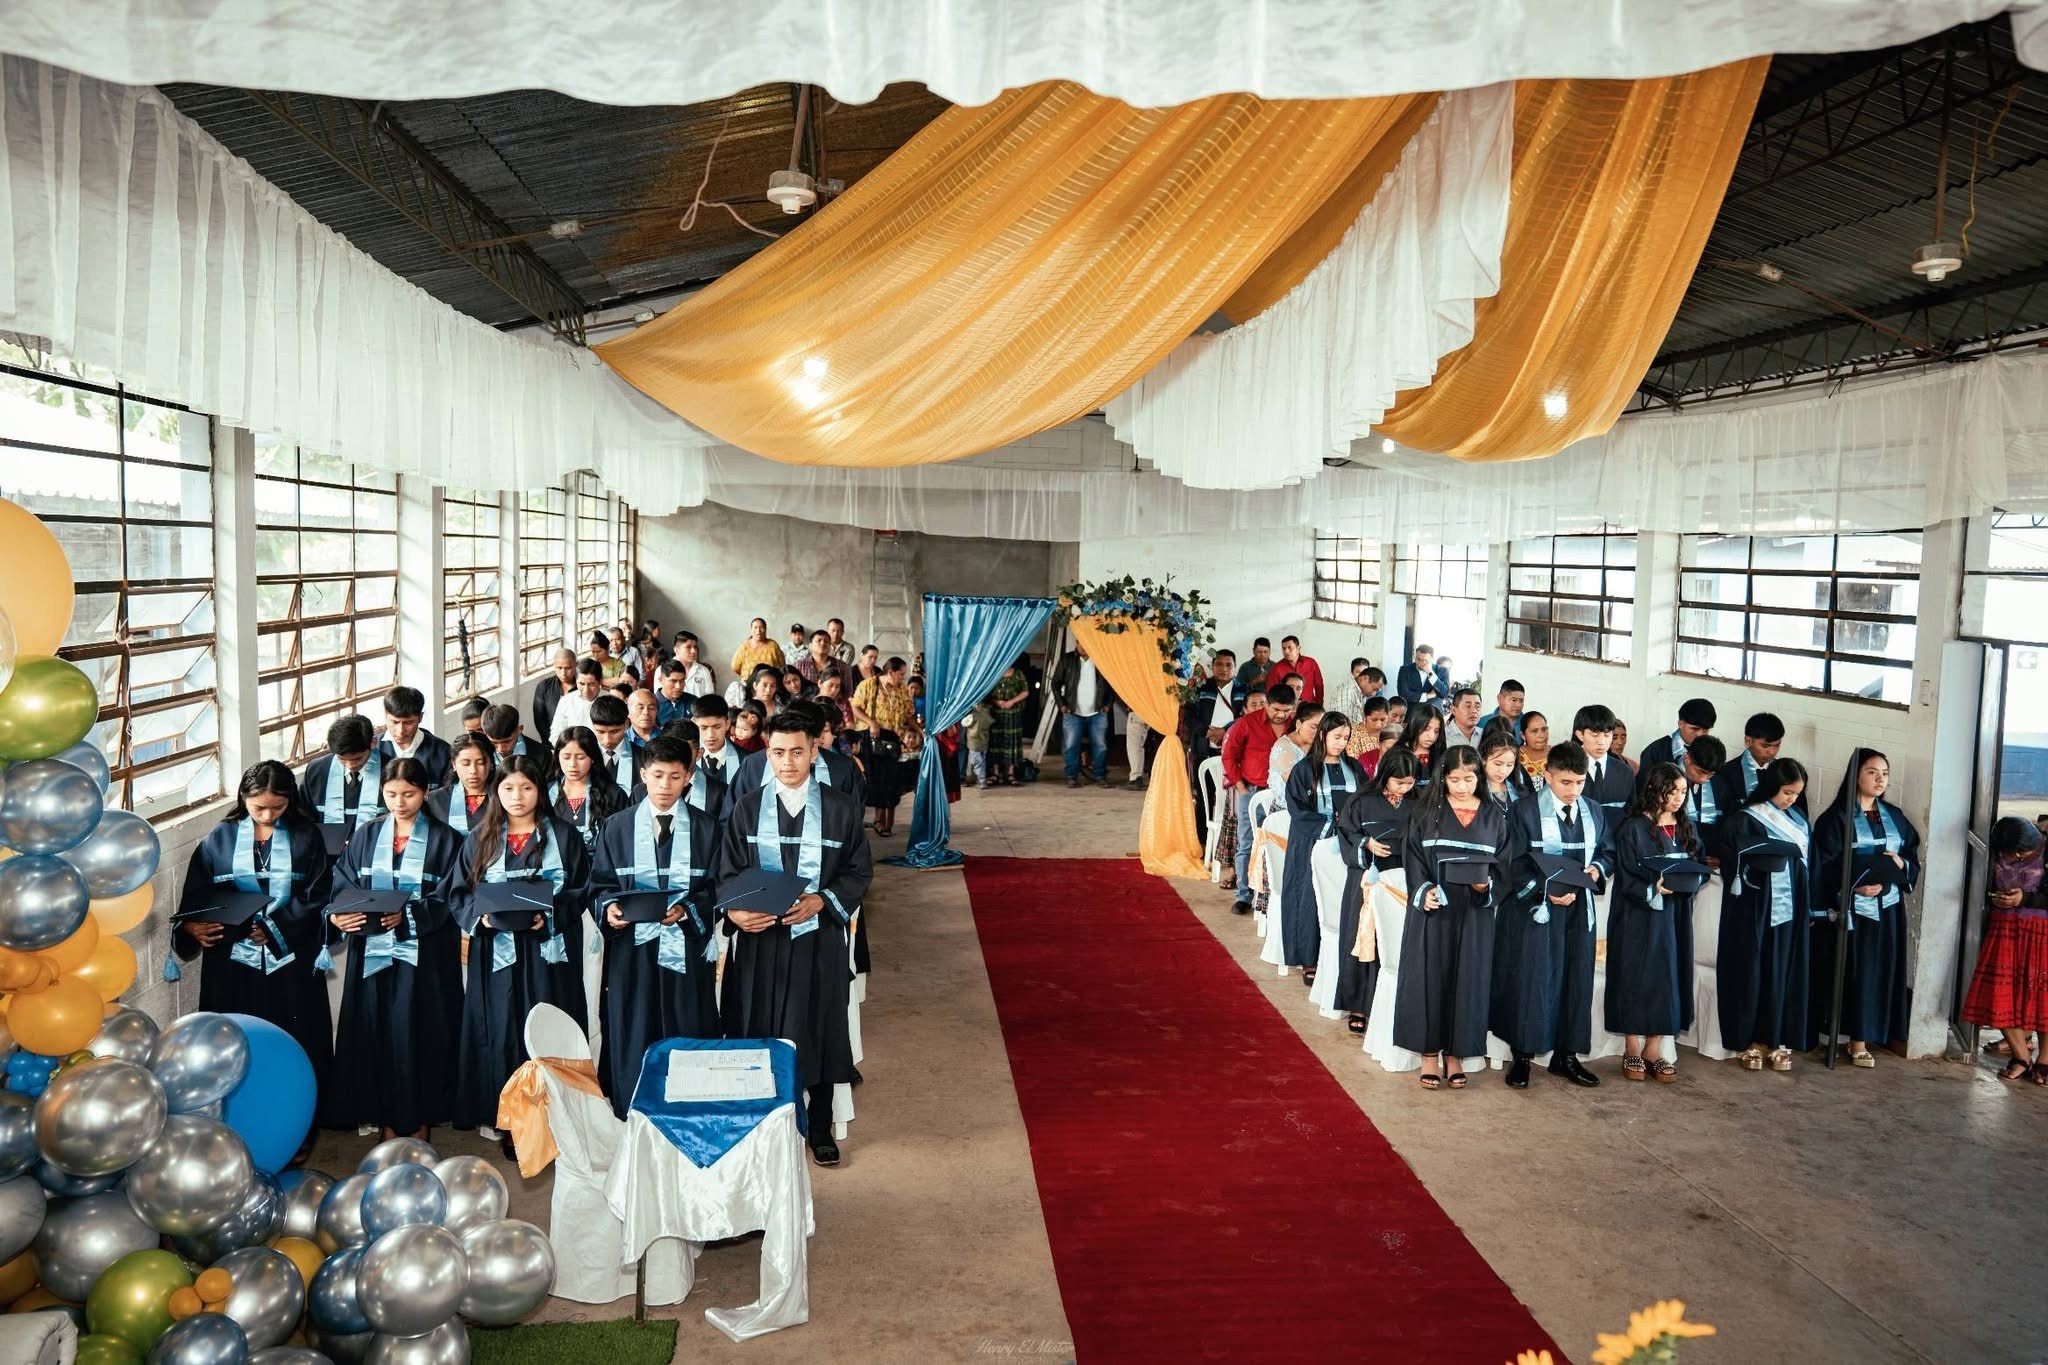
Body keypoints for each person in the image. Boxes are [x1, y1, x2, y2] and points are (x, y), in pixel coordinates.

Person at [718, 710, 874, 1166]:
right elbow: (726, 873)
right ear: (767, 753)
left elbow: (858, 871)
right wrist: (735, 912)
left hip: (815, 941)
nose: (788, 762)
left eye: (798, 752)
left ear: (814, 751)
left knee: (818, 1027)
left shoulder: (840, 809)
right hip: (761, 943)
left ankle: (820, 1123)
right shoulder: (747, 807)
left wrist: (823, 901)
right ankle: (761, 1120)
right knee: (757, 1023)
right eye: (778, 752)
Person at [173, 761, 335, 1121]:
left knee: (293, 1043)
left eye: (277, 807)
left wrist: (277, 927)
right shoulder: (220, 838)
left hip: (288, 962)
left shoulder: (306, 837)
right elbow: (196, 896)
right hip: (232, 963)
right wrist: (191, 928)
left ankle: (298, 1123)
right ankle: (234, 1120)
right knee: (235, 1041)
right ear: (242, 798)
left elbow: (318, 896)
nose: (268, 814)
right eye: (258, 806)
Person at [448, 755, 590, 1144]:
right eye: (508, 788)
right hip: (497, 952)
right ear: (496, 791)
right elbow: (459, 892)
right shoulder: (480, 838)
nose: (518, 796)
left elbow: (580, 887)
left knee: (546, 1022)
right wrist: (484, 918)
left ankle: (555, 1113)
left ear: (540, 791)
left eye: (527, 787)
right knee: (500, 1025)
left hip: (547, 952)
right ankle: (505, 1116)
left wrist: (553, 914)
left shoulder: (562, 835)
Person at [584, 734, 724, 1114]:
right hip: (633, 949)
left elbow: (717, 888)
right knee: (634, 1020)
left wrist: (688, 909)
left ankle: (689, 1103)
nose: (665, 786)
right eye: (658, 775)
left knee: (687, 1019)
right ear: (643, 774)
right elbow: (599, 883)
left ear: (688, 778)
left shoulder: (708, 828)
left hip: (686, 950)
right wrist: (610, 907)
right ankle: (633, 1104)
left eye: (675, 777)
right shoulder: (615, 827)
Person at [328, 757, 464, 1139]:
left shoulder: (446, 839)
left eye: (409, 794)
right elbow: (342, 883)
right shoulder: (367, 835)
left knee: (419, 1035)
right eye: (391, 794)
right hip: (372, 957)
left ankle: (417, 1121)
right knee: (377, 1035)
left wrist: (408, 916)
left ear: (424, 793)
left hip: (424, 960)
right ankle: (386, 1117)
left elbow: (452, 895)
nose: (399, 802)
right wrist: (339, 915)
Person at [1493, 740, 1610, 1091]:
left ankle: (1566, 1056)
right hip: (1535, 911)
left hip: (1577, 912)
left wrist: (1597, 870)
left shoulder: (1594, 811)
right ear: (1547, 776)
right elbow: (1512, 862)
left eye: (1579, 782)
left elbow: (1608, 851)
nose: (1574, 790)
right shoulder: (1524, 811)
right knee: (1533, 980)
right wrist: (1544, 892)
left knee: (1575, 980)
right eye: (1565, 783)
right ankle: (1523, 1056)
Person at [1396, 745, 1508, 1090]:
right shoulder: (1426, 813)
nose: (1461, 786)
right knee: (1431, 979)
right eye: (1455, 779)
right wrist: (1423, 890)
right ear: (1442, 778)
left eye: (1469, 779)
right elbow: (1412, 857)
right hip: (1435, 909)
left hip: (1474, 914)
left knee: (1467, 981)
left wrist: (1486, 887)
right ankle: (1429, 1054)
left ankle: (1456, 1054)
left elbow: (1504, 865)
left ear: (1480, 777)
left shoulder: (1494, 816)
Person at [1810, 748, 1920, 1066]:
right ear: (1856, 775)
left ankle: (1862, 1039)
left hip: (1886, 911)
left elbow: (1911, 856)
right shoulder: (1835, 819)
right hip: (1850, 911)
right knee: (1853, 974)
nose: (1880, 779)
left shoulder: (1896, 817)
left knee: (1877, 974)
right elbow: (1825, 863)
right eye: (1872, 772)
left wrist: (1899, 865)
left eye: (1885, 773)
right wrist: (1852, 885)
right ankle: (1840, 1036)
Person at [1606, 761, 1703, 1083]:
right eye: (1671, 791)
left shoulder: (1686, 826)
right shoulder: (1633, 827)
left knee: (1668, 976)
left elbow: (1698, 864)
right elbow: (1625, 874)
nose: (1677, 798)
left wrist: (1689, 881)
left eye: (1683, 792)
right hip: (1639, 915)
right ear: (1654, 790)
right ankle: (1632, 1046)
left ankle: (1654, 1047)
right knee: (1637, 975)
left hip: (1674, 916)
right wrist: (1652, 888)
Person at [1719, 757, 1815, 1072]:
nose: (1791, 800)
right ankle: (1751, 1041)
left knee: (1783, 970)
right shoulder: (1744, 819)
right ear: (1771, 787)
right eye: (1787, 793)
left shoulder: (1799, 819)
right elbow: (1730, 862)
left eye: (1796, 794)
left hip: (1790, 910)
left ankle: (1777, 1039)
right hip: (1755, 906)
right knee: (1753, 970)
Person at [1334, 748, 1417, 1035]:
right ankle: (1358, 1004)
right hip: (1369, 876)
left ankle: (1394, 1003)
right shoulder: (1361, 801)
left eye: (1410, 783)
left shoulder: (1418, 802)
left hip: (1403, 878)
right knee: (1362, 936)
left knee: (1396, 940)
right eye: (1399, 783)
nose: (1405, 789)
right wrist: (1366, 844)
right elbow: (1346, 833)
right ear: (1385, 777)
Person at [1963, 817, 2048, 1086]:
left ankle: (2045, 1060)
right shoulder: (1992, 851)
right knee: (1999, 995)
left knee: (2044, 997)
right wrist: (1994, 898)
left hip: (2042, 933)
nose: (2021, 857)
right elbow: (1977, 886)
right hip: (2004, 932)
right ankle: (2021, 1057)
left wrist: (2026, 898)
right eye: (2014, 853)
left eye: (2025, 852)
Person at [1280, 713, 1364, 982]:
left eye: (1346, 738)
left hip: (1348, 843)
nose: (1341, 743)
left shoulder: (1353, 767)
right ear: (1322, 735)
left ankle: (1343, 956)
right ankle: (1308, 958)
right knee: (1309, 898)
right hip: (1312, 841)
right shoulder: (1304, 770)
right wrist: (1331, 825)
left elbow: (1364, 800)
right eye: (1336, 737)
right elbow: (1297, 809)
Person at [1220, 685, 1297, 913]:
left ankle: (1275, 895)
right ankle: (1244, 895)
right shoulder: (1246, 723)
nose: (1281, 715)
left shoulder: (1297, 725)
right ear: (1266, 704)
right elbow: (1228, 755)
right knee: (1247, 842)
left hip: (1284, 794)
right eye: (1276, 709)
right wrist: (1241, 787)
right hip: (1252, 790)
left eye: (1286, 710)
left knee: (1281, 842)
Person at [303, 714, 383, 846]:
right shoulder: (317, 771)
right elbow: (303, 817)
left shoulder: (392, 771)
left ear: (373, 743)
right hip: (324, 855)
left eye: (357, 759)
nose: (350, 766)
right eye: (342, 759)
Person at [552, 726, 630, 852]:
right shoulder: (548, 793)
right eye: (566, 757)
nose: (572, 764)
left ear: (593, 758)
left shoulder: (613, 794)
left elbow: (622, 840)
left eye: (581, 757)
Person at [1052, 636, 1115, 788]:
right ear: (1077, 643)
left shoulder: (1101, 660)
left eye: (1087, 644)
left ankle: (1100, 776)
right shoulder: (1067, 660)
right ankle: (1071, 777)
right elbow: (1055, 683)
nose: (1084, 647)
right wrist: (1062, 706)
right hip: (1073, 712)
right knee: (1071, 746)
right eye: (1081, 644)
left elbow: (1113, 683)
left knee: (1100, 746)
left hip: (1097, 712)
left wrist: (1108, 705)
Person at [1710, 712, 1791, 819]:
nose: (1772, 752)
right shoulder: (1727, 773)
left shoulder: (1786, 773)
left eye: (1777, 745)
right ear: (1748, 741)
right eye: (1765, 746)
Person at [1573, 704, 1633, 826]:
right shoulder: (1565, 768)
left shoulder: (1625, 772)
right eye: (1594, 735)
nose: (1601, 742)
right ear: (1580, 735)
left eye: (1607, 735)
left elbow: (1631, 813)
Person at [379, 686, 453, 782]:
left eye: (408, 723)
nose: (401, 730)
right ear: (385, 715)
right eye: (395, 722)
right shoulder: (373, 750)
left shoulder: (442, 752)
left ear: (420, 718)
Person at [431, 732, 497, 837]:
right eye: (466, 763)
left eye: (480, 763)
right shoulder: (435, 800)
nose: (473, 771)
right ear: (454, 764)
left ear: (491, 764)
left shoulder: (502, 798)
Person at [1639, 698, 1716, 777]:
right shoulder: (1656, 751)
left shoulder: (1712, 752)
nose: (1700, 734)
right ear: (1680, 724)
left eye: (1705, 730)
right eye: (1694, 729)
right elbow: (1644, 785)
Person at [986, 660, 1031, 786]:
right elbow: (985, 693)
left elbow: (1025, 691)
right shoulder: (993, 673)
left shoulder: (1018, 674)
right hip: (995, 714)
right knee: (995, 743)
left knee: (1011, 743)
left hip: (1013, 713)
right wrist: (996, 702)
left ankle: (1010, 772)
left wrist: (1012, 701)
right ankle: (995, 773)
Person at [1266, 699, 1321, 798]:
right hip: (1285, 809)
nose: (1318, 732)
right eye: (1314, 727)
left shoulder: (1315, 744)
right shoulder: (1284, 747)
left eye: (1322, 728)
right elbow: (1298, 785)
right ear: (1298, 724)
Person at [693, 694, 743, 784]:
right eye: (704, 728)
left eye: (717, 727)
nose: (710, 735)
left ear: (727, 724)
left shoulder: (745, 761)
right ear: (694, 725)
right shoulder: (686, 759)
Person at [549, 659, 604, 741]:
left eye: (591, 684)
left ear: (600, 682)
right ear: (576, 681)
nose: (586, 690)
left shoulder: (611, 700)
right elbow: (556, 734)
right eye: (581, 684)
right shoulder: (566, 701)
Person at [1264, 635, 1325, 706]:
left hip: (1309, 707)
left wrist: (1319, 705)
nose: (1286, 651)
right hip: (1287, 709)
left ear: (1298, 648)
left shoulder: (1311, 663)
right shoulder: (1276, 668)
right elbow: (1271, 692)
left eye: (1290, 648)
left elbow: (1319, 686)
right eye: (1284, 648)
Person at [1479, 730, 1530, 814]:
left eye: (1509, 765)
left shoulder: (1517, 788)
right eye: (1498, 764)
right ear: (1484, 759)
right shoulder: (1474, 790)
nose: (1503, 771)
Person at [533, 648, 578, 741]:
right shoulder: (544, 687)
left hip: (578, 741)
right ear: (554, 666)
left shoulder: (582, 687)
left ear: (576, 665)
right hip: (551, 742)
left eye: (568, 668)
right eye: (559, 668)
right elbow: (540, 720)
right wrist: (552, 742)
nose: (563, 673)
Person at [481, 703, 543, 770]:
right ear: (485, 734)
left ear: (519, 730)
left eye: (507, 742)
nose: (500, 749)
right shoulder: (481, 757)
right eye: (494, 743)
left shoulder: (541, 756)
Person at [796, 629, 853, 696]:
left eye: (826, 641)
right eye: (819, 641)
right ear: (810, 646)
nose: (823, 643)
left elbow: (847, 694)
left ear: (830, 646)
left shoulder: (843, 667)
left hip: (833, 705)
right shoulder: (799, 666)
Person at [1397, 706, 1442, 786]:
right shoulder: (1397, 754)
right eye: (1426, 729)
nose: (1432, 736)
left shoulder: (1441, 755)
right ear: (1414, 725)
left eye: (1436, 731)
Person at [672, 631, 717, 698]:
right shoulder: (663, 670)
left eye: (695, 647)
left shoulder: (704, 670)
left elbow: (709, 699)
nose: (694, 651)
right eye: (688, 647)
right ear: (676, 650)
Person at [654, 660, 697, 727]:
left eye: (682, 681)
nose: (678, 686)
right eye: (673, 681)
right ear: (661, 680)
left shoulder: (693, 701)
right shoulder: (651, 704)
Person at [1397, 644, 1441, 709]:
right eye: (1418, 659)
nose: (1421, 663)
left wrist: (1429, 672)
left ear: (1432, 659)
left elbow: (1443, 693)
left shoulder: (1440, 671)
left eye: (1425, 660)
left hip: (1433, 711)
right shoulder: (1404, 670)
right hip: (1411, 712)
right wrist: (1428, 696)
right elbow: (1403, 694)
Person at [962, 701, 992, 790]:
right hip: (984, 740)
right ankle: (970, 778)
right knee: (979, 760)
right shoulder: (986, 712)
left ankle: (982, 781)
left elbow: (964, 723)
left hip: (974, 741)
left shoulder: (973, 714)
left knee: (976, 761)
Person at [1518, 711, 1552, 780]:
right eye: (1534, 731)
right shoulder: (1515, 757)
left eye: (1544, 729)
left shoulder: (1558, 753)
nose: (1541, 735)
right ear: (1523, 735)